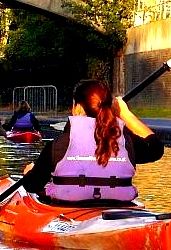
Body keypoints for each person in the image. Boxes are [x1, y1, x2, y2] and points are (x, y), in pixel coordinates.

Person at [18, 79, 163, 207]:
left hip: (69, 210)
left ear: (79, 108)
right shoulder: (125, 140)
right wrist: (125, 113)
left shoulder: (58, 145)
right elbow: (155, 148)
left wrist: (29, 174)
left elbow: (32, 185)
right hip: (118, 208)